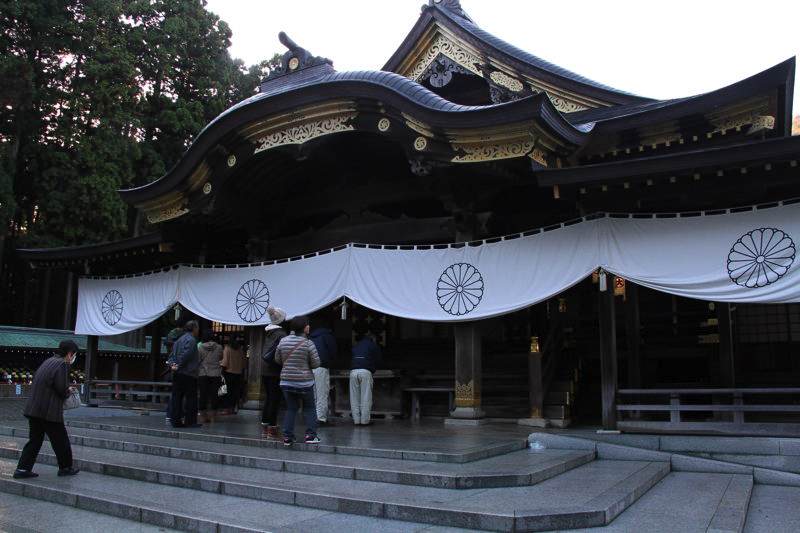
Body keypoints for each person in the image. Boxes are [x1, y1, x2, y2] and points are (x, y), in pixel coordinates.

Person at [14, 340, 80, 478]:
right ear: (69, 353)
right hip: (49, 411)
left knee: (35, 440)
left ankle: (22, 469)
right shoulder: (62, 364)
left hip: (34, 408)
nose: (73, 357)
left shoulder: (49, 361)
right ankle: (65, 467)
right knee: (61, 440)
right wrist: (68, 391)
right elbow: (61, 388)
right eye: (73, 354)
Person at [275, 315, 321, 446]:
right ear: (305, 328)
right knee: (310, 408)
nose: (309, 327)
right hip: (304, 382)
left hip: (286, 381)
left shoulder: (283, 341)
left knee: (291, 409)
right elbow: (316, 363)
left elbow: (277, 359)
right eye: (308, 325)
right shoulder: (308, 343)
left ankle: (288, 437)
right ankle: (311, 435)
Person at [261, 306, 287, 439]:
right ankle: (272, 427)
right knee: (274, 399)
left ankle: (265, 427)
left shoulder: (269, 333)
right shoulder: (282, 335)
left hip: (265, 369)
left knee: (268, 398)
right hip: (275, 370)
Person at [169, 320, 201, 428]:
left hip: (178, 373)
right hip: (188, 373)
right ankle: (190, 421)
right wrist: (178, 364)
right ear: (194, 328)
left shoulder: (179, 340)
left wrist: (173, 365)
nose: (198, 330)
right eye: (197, 328)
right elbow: (186, 355)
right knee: (191, 398)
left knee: (177, 397)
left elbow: (172, 355)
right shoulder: (191, 340)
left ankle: (175, 420)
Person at [349, 331, 382, 426]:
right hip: (365, 372)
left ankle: (356, 420)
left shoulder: (357, 345)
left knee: (354, 397)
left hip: (353, 371)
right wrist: (374, 368)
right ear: (373, 339)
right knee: (366, 397)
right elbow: (378, 360)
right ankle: (364, 421)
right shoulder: (373, 345)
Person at [309, 320, 337, 424]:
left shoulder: (311, 337)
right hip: (322, 367)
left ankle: (313, 417)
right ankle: (321, 418)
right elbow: (333, 351)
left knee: (314, 394)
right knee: (322, 393)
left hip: (311, 367)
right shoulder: (327, 336)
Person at [197, 332, 223, 423]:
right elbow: (221, 358)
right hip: (215, 374)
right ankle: (213, 416)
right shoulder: (219, 347)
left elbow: (198, 360)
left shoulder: (200, 347)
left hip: (203, 373)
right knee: (214, 395)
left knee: (203, 395)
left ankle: (203, 416)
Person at [220, 337, 245, 414]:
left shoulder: (227, 348)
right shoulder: (240, 350)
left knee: (226, 391)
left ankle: (226, 409)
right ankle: (233, 408)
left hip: (228, 372)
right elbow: (244, 362)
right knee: (235, 392)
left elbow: (225, 362)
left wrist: (222, 370)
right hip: (238, 373)